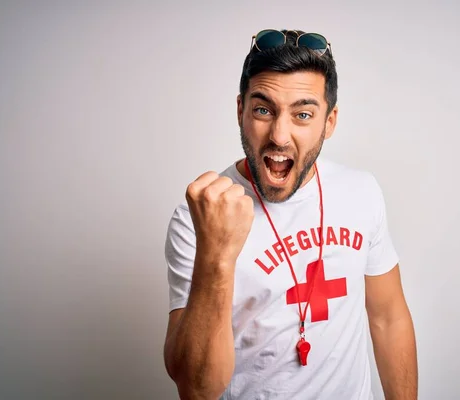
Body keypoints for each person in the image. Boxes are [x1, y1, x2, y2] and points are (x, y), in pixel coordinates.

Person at [163, 28, 418, 400]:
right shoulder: (199, 216)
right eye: (264, 110)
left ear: (329, 122)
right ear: (240, 111)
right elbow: (196, 388)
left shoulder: (361, 192)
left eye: (302, 114)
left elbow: (388, 318)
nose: (280, 136)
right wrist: (217, 254)